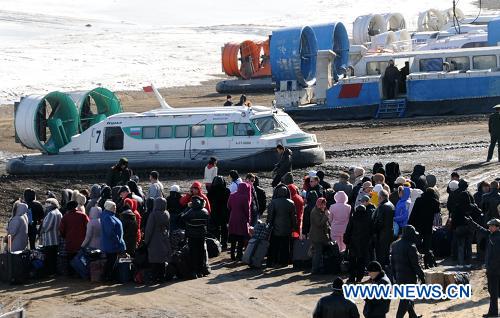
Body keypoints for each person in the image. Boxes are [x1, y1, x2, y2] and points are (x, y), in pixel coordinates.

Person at [465, 217, 500, 317]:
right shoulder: (491, 235)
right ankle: (493, 312)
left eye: (491, 226)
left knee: (493, 292)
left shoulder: (497, 239)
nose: (489, 227)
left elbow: (496, 257)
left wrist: (491, 268)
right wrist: (472, 222)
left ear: (496, 227)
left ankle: (493, 313)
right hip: (493, 269)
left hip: (494, 270)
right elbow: (480, 229)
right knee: (492, 292)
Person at [391, 225, 425, 318]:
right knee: (405, 300)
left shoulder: (394, 245)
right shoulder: (411, 247)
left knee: (407, 298)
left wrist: (394, 276)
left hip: (399, 276)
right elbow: (415, 265)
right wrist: (422, 277)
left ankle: (413, 316)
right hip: (409, 277)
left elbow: (392, 263)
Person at [267, 184, 297, 267]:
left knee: (274, 246)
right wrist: (294, 227)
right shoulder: (291, 203)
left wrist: (268, 225)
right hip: (287, 228)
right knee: (285, 246)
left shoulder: (274, 202)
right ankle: (284, 262)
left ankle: (274, 261)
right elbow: (293, 217)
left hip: (276, 228)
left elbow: (270, 216)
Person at [181, 196, 210, 278]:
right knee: (201, 252)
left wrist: (188, 208)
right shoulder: (205, 211)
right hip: (201, 235)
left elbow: (182, 218)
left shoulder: (190, 212)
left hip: (191, 235)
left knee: (193, 253)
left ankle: (193, 272)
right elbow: (208, 221)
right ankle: (200, 271)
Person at [144, 197, 172, 283]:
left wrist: (146, 241)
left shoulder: (153, 214)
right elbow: (168, 227)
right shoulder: (167, 213)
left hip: (154, 239)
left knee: (154, 260)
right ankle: (162, 277)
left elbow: (149, 230)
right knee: (162, 259)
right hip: (164, 238)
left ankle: (155, 278)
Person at [344, 205, 372, 283]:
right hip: (364, 244)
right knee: (361, 261)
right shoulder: (368, 219)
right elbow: (371, 231)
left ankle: (352, 277)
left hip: (353, 243)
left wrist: (346, 240)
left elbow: (348, 230)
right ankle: (359, 277)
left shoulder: (353, 218)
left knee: (352, 261)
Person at [408, 188, 440, 255]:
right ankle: (427, 260)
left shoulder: (419, 200)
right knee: (427, 245)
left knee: (417, 243)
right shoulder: (435, 202)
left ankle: (418, 257)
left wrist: (410, 223)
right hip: (428, 226)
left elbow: (413, 212)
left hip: (418, 225)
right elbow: (437, 211)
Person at [100, 200, 126, 281]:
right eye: (113, 207)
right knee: (111, 261)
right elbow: (110, 232)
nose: (115, 208)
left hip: (112, 243)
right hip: (112, 244)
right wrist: (118, 241)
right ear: (109, 208)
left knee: (111, 261)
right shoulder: (108, 217)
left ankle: (108, 276)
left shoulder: (108, 215)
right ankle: (107, 277)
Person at [60, 201, 89, 272]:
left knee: (70, 257)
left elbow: (61, 229)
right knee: (81, 257)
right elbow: (88, 227)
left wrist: (64, 236)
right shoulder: (83, 215)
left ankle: (71, 272)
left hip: (70, 241)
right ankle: (80, 271)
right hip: (81, 241)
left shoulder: (65, 217)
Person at [227, 182, 251, 261]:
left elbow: (228, 206)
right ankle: (239, 255)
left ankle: (232, 255)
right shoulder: (245, 197)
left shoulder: (232, 195)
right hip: (242, 220)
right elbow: (247, 210)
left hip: (232, 218)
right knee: (241, 238)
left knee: (233, 238)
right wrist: (248, 220)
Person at [39, 198, 62, 275]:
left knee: (50, 258)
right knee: (54, 257)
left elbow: (46, 227)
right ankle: (54, 272)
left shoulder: (51, 213)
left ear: (52, 204)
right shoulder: (59, 213)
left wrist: (40, 232)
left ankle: (51, 272)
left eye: (48, 203)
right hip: (56, 239)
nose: (46, 204)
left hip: (49, 240)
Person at [207, 176, 231, 249]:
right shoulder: (227, 191)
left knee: (215, 229)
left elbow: (208, 202)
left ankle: (216, 243)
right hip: (224, 212)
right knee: (224, 228)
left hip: (214, 212)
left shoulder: (211, 191)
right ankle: (224, 244)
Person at [373, 190, 394, 267]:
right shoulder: (391, 205)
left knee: (380, 254)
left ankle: (381, 270)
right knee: (386, 253)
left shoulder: (382, 206)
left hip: (382, 234)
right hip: (389, 232)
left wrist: (374, 230)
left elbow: (379, 222)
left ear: (381, 197)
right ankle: (387, 269)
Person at [309, 197, 330, 274]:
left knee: (318, 253)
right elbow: (319, 224)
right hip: (316, 236)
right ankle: (315, 270)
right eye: (322, 204)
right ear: (318, 204)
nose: (324, 206)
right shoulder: (315, 212)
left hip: (319, 235)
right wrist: (326, 216)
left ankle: (317, 268)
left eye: (324, 204)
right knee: (317, 253)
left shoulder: (319, 210)